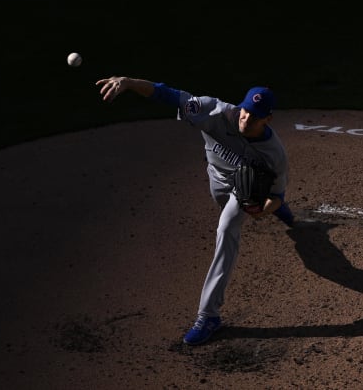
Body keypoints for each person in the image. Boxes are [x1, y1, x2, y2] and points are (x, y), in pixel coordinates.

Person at [96, 76, 294, 345]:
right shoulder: (214, 111)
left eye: (254, 116)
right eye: (245, 111)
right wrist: (129, 82)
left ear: (267, 119)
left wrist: (266, 210)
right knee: (230, 205)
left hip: (243, 193)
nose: (246, 119)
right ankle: (275, 213)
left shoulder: (275, 154)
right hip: (217, 180)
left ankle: (209, 315)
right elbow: (168, 95)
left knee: (227, 228)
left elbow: (277, 194)